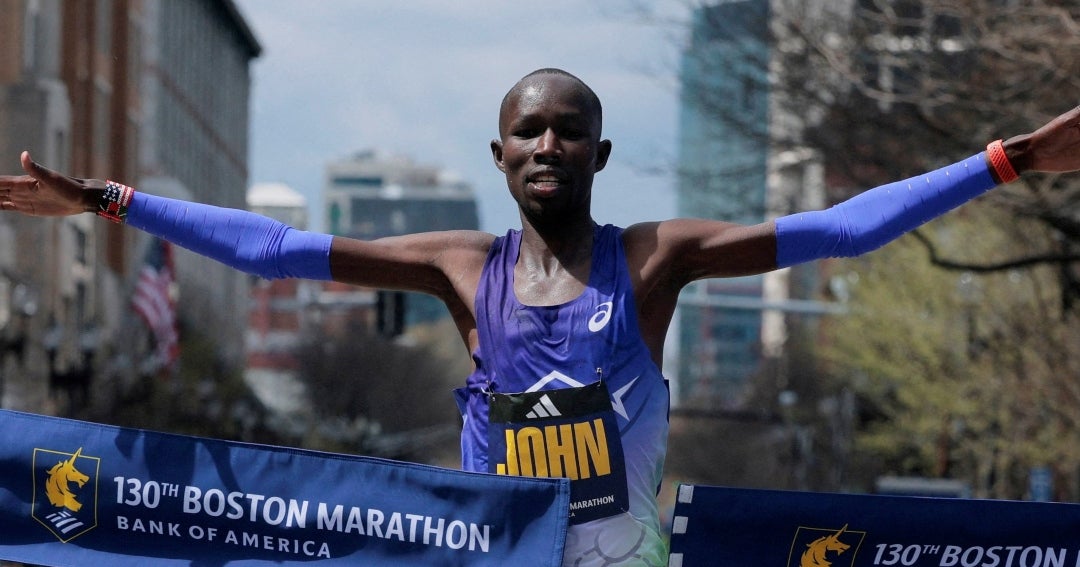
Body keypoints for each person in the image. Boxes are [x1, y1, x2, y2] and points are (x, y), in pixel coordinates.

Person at [3, 68, 1080, 566]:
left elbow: (842, 232)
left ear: (599, 154)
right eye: (529, 132)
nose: (549, 146)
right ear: (500, 154)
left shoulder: (657, 261)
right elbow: (275, 250)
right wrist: (105, 200)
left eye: (570, 132)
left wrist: (1008, 160)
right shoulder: (460, 270)